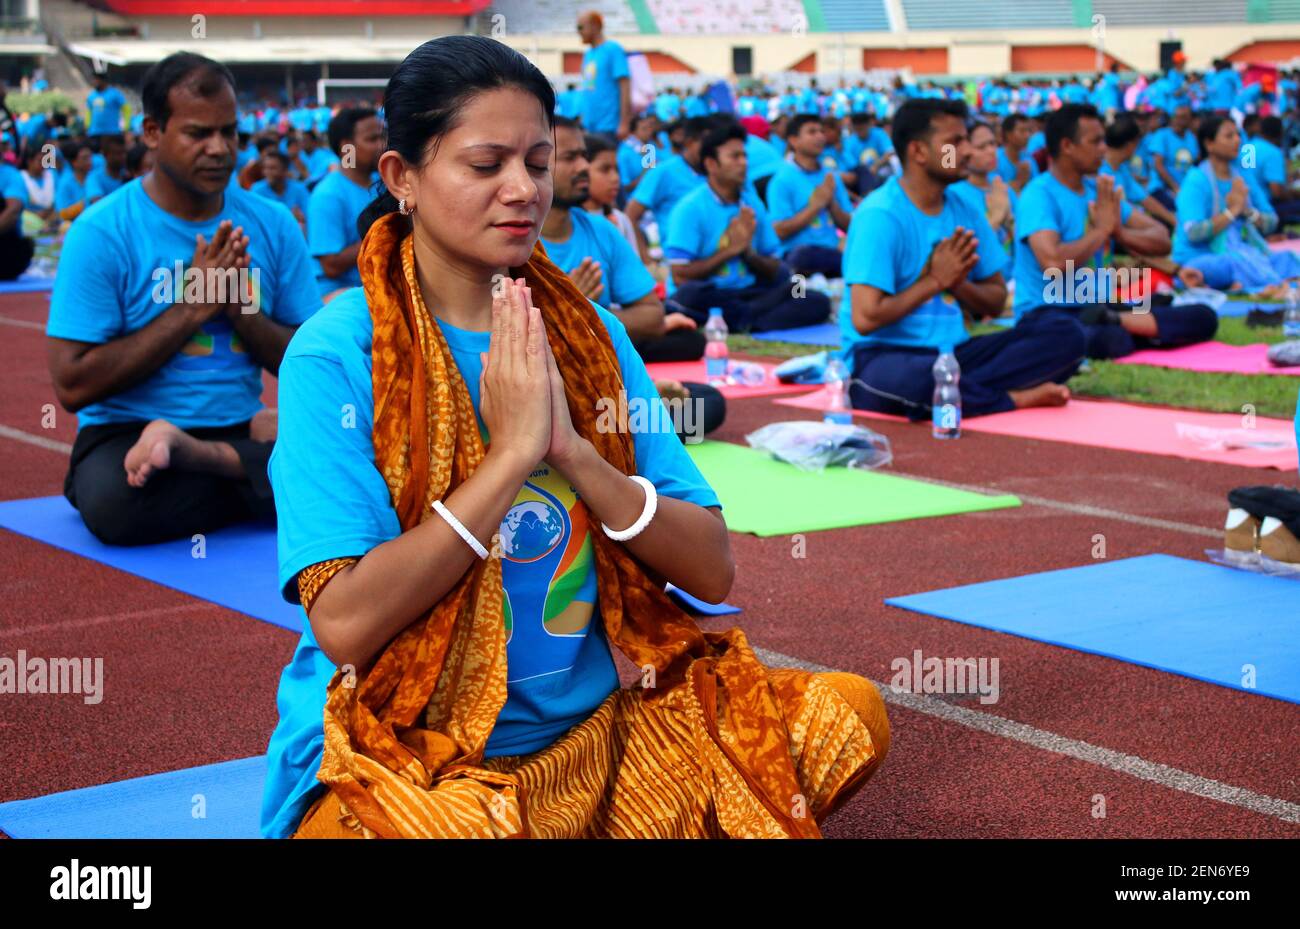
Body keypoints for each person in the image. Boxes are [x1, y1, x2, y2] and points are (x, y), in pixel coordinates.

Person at [263, 35, 888, 841]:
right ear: (402, 179)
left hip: (592, 745)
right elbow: (344, 624)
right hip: (414, 765)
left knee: (846, 713)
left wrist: (574, 453)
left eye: (538, 160)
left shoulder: (589, 335)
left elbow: (709, 564)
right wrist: (514, 457)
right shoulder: (335, 354)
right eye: (485, 165)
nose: (522, 189)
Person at [45, 52, 321, 546]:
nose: (219, 149)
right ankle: (256, 478)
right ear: (153, 132)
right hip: (129, 434)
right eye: (198, 134)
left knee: (369, 465)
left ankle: (209, 460)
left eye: (229, 132)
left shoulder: (273, 224)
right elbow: (71, 385)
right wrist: (193, 308)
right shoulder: (101, 231)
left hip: (234, 428)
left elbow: (309, 362)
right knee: (116, 504)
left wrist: (242, 311)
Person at [840, 99, 1084, 420]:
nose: (966, 151)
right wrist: (934, 282)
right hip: (885, 356)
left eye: (966, 140)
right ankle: (1010, 399)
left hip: (953, 353)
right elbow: (866, 318)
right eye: (954, 142)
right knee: (910, 380)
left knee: (1066, 334)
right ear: (918, 152)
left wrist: (957, 284)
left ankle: (962, 393)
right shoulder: (880, 215)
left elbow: (995, 302)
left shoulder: (964, 208)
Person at [1013, 104, 1217, 359]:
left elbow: (1162, 239)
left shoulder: (1097, 190)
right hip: (1047, 313)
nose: (1103, 149)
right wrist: (1101, 231)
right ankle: (1125, 324)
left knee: (1204, 316)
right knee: (1103, 339)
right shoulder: (1039, 195)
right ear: (1067, 146)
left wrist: (1120, 234)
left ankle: (1117, 319)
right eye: (1096, 141)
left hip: (1097, 306)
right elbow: (1052, 261)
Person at [663, 119, 830, 332]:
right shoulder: (690, 208)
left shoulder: (752, 204)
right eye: (734, 157)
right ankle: (751, 319)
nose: (743, 163)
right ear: (711, 164)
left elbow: (773, 266)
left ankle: (747, 320)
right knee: (688, 296)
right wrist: (730, 250)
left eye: (744, 156)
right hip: (711, 294)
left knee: (808, 295)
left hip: (749, 291)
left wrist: (748, 253)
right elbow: (680, 275)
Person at [1172, 115, 1300, 294]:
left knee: (1287, 258)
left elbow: (1271, 220)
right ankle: (1254, 283)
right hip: (1203, 256)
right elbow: (1193, 232)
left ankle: (1244, 282)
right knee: (1228, 264)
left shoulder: (1242, 176)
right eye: (1229, 136)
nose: (1237, 140)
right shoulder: (1196, 180)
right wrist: (1233, 211)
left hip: (1245, 251)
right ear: (1209, 144)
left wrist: (1247, 211)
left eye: (1238, 135)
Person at [765, 113, 853, 278]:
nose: (820, 136)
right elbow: (779, 230)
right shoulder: (782, 180)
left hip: (831, 254)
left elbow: (849, 226)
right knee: (801, 276)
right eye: (812, 132)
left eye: (821, 131)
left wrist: (831, 203)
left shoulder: (830, 177)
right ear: (793, 140)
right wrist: (815, 206)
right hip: (797, 259)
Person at [308, 106, 382, 297]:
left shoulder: (383, 183)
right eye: (372, 139)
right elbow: (331, 265)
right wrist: (385, 233)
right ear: (347, 148)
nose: (382, 144)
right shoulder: (328, 194)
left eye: (383, 136)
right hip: (341, 296)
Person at [623, 114, 711, 231]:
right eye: (644, 129)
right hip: (644, 207)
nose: (648, 132)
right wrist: (647, 173)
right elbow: (626, 189)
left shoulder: (650, 148)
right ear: (633, 132)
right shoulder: (625, 153)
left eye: (649, 128)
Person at [949, 120, 1015, 275]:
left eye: (993, 144)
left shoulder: (1001, 187)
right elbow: (963, 253)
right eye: (982, 147)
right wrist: (997, 217)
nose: (991, 151)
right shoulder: (955, 195)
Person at [576, 10, 629, 139]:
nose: (578, 32)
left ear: (595, 26)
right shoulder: (588, 54)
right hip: (589, 127)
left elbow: (625, 86)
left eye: (580, 27)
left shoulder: (613, 49)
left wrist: (624, 123)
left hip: (609, 126)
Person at [1148, 104, 1198, 208]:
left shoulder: (1192, 138)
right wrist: (1175, 188)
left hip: (1185, 188)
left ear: (1190, 120)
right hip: (1162, 188)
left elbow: (1195, 164)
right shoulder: (1161, 135)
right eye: (1176, 117)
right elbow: (1158, 166)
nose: (1179, 121)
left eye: (1184, 117)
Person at [251, 148, 310, 232]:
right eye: (265, 168)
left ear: (285, 170)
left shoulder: (299, 189)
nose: (267, 172)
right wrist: (289, 216)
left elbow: (307, 216)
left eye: (272, 168)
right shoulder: (257, 190)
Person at [997, 114, 1038, 193]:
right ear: (1008, 134)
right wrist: (1019, 181)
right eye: (1022, 131)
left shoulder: (1029, 159)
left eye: (1029, 131)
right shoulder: (995, 159)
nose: (1027, 135)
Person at [55, 139, 94, 221]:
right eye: (84, 158)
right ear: (74, 162)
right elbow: (62, 214)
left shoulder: (95, 178)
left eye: (90, 157)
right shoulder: (65, 184)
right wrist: (85, 204)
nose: (89, 161)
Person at [84, 133, 128, 203]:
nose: (123, 157)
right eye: (118, 153)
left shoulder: (128, 174)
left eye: (124, 152)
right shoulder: (94, 178)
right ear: (105, 154)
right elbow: (97, 204)